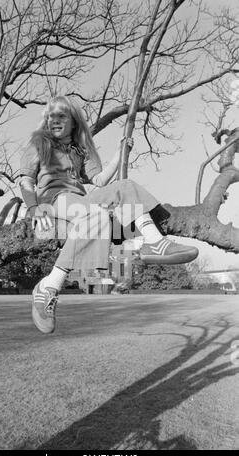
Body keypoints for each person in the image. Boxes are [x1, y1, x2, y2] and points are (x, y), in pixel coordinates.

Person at [19, 95, 198, 333]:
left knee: (126, 186)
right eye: (50, 116)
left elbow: (100, 180)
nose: (54, 120)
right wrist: (33, 208)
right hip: (54, 199)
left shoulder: (79, 149)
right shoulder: (39, 142)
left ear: (73, 120)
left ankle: (155, 243)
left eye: (61, 115)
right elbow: (26, 180)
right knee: (98, 217)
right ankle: (50, 286)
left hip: (79, 201)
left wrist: (120, 151)